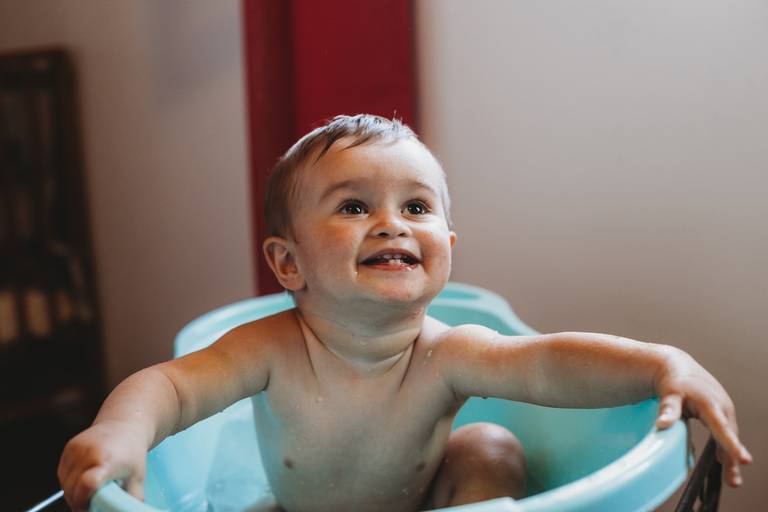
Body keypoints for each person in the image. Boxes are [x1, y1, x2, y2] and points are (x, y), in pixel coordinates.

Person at [58, 114, 752, 512]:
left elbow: (547, 365)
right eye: (355, 206)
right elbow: (172, 387)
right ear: (288, 263)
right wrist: (121, 432)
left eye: (416, 208)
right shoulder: (269, 349)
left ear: (446, 248)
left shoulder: (448, 353)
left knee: (490, 449)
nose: (392, 223)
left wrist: (665, 364)